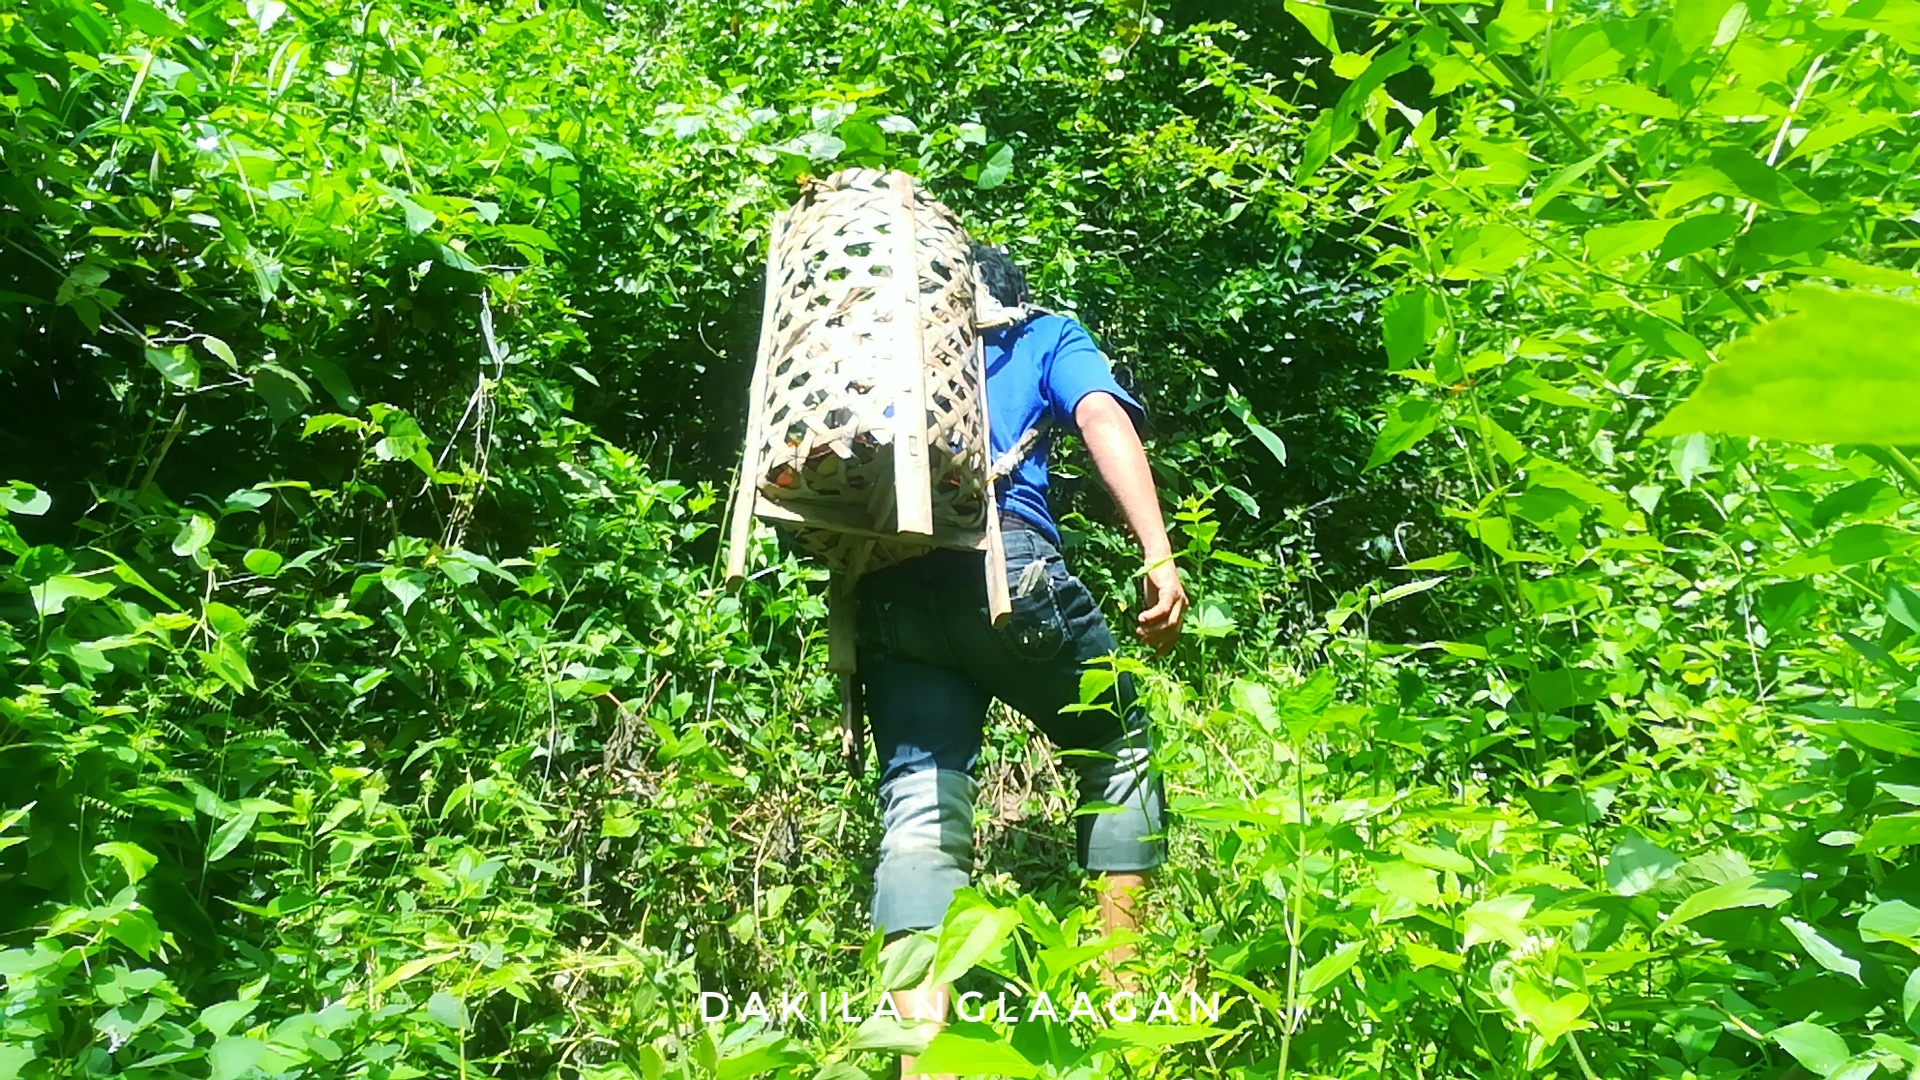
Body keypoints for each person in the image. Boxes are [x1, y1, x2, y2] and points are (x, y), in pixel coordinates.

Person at [855, 244, 1188, 1073]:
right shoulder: (1043, 334)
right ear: (1010, 294)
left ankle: (921, 1058)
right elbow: (1101, 416)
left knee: (921, 807)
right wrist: (1157, 551)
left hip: (891, 589)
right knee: (1117, 748)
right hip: (1009, 572)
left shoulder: (885, 355)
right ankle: (1120, 1011)